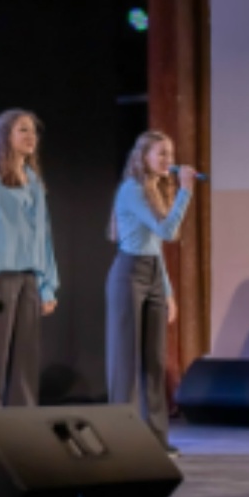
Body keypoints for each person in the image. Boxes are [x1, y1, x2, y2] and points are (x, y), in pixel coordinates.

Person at [106, 130, 197, 457]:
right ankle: (121, 438)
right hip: (128, 273)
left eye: (170, 154)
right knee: (125, 361)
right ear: (144, 157)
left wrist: (168, 292)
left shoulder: (155, 190)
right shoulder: (132, 190)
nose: (168, 160)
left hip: (153, 274)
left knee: (154, 363)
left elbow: (156, 248)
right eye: (161, 154)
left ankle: (156, 439)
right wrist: (186, 191)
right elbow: (168, 231)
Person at [0, 109, 59, 409]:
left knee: (25, 363)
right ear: (5, 136)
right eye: (23, 130)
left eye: (33, 131)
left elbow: (44, 237)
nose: (31, 136)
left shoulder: (34, 181)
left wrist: (47, 286)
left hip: (29, 280)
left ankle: (21, 426)